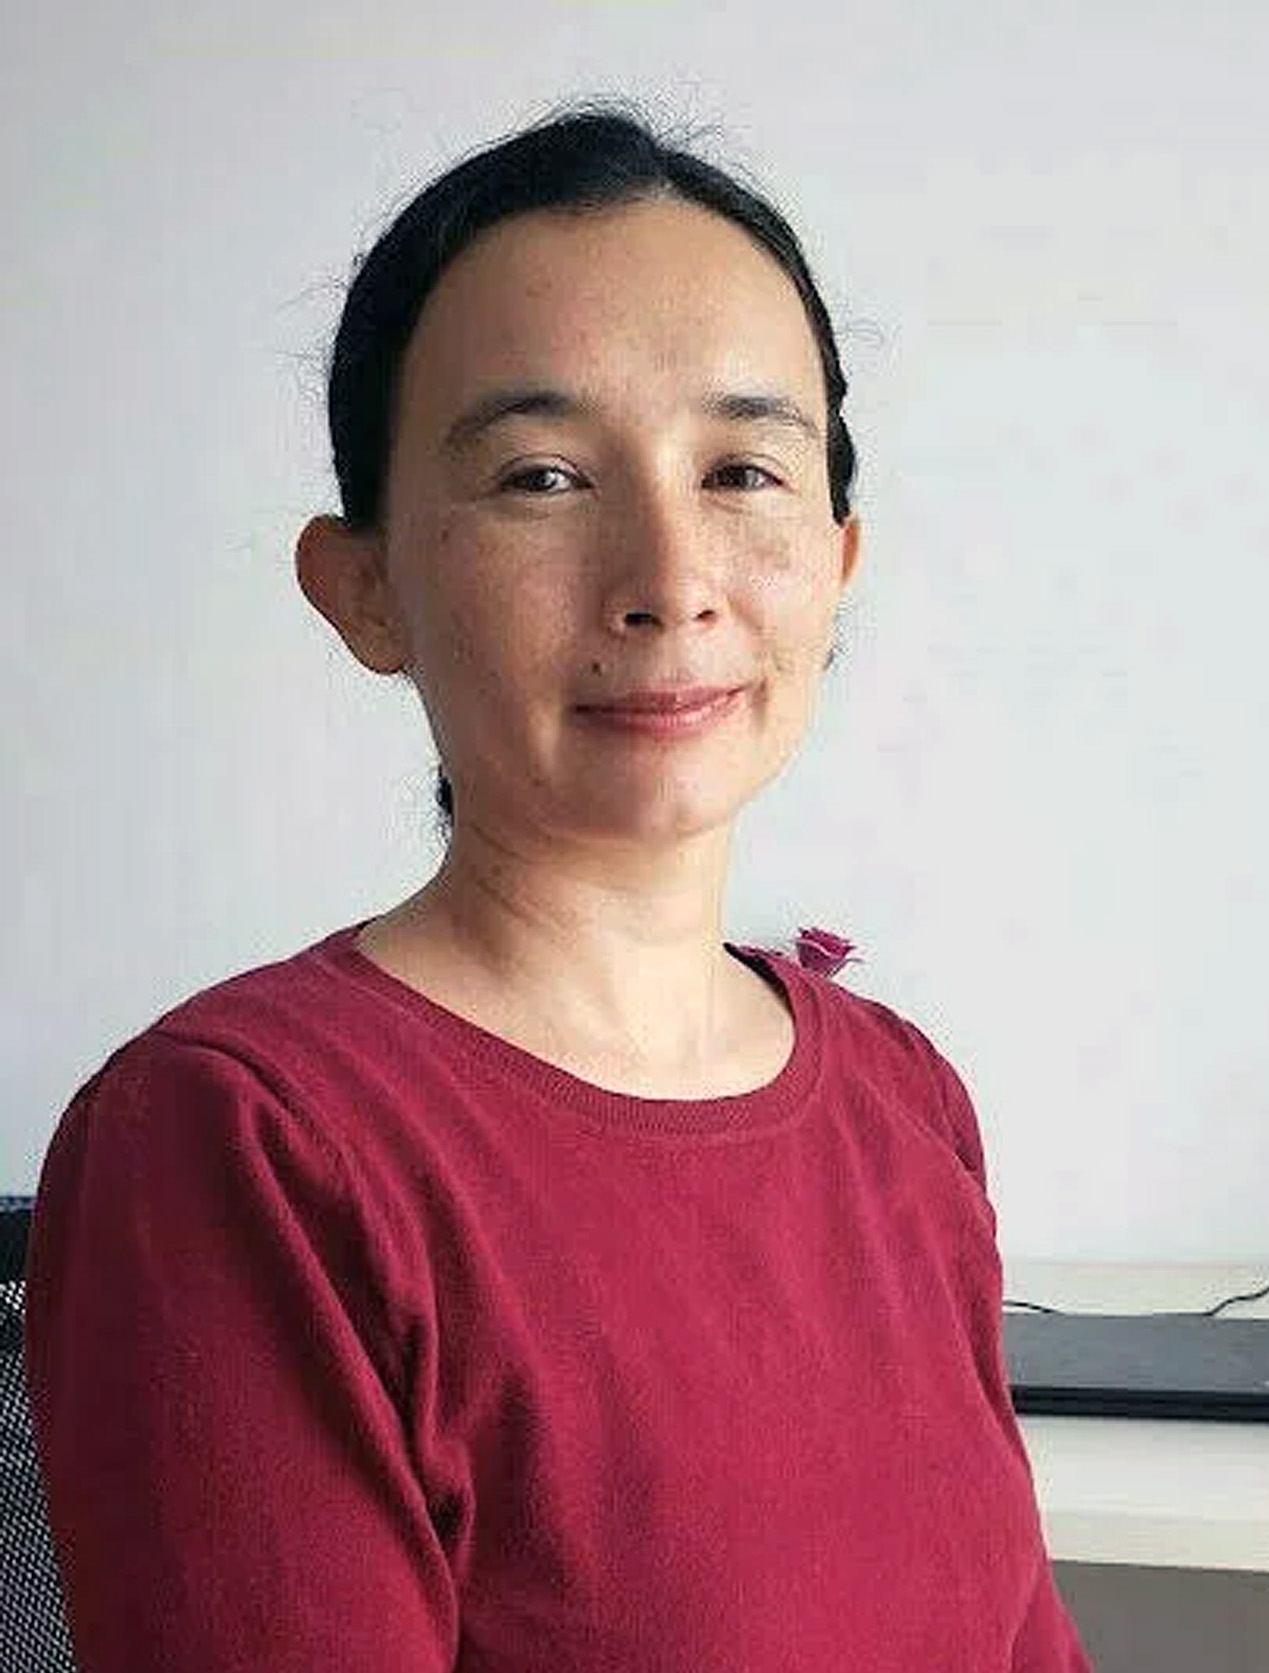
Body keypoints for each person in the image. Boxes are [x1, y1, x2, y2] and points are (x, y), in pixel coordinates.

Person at [25, 103, 1092, 1671]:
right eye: (540, 476)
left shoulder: (905, 1100)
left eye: (742, 469)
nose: (670, 580)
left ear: (838, 561)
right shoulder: (238, 1143)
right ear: (364, 588)